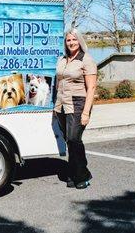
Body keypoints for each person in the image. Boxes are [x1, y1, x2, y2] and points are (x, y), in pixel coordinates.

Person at [54, 28, 97, 189]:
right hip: (61, 105)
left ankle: (82, 175)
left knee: (74, 139)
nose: (71, 43)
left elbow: (91, 88)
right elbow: (59, 82)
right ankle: (73, 173)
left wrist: (86, 112)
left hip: (78, 104)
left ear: (80, 41)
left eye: (74, 40)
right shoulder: (63, 59)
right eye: (68, 40)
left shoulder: (86, 60)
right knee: (70, 141)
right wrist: (55, 106)